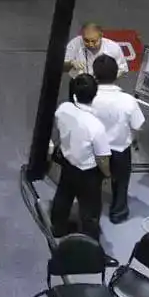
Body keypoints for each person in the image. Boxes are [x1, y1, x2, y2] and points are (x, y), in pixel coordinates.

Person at [50, 73, 111, 238]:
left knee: (63, 196)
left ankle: (58, 229)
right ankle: (90, 241)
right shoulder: (95, 126)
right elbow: (102, 158)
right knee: (90, 209)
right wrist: (107, 174)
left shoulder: (63, 109)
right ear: (94, 94)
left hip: (68, 164)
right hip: (88, 173)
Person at [91, 54, 145, 224]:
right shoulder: (128, 101)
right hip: (120, 151)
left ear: (95, 75)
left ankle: (91, 213)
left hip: (94, 151)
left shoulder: (87, 97)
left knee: (91, 183)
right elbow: (138, 125)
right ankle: (118, 212)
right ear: (116, 75)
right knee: (121, 184)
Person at [63, 23, 131, 77]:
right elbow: (62, 67)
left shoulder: (113, 48)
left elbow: (123, 69)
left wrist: (108, 80)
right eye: (86, 40)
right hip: (78, 84)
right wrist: (71, 63)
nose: (90, 44)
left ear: (101, 36)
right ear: (82, 36)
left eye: (94, 41)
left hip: (104, 86)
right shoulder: (74, 44)